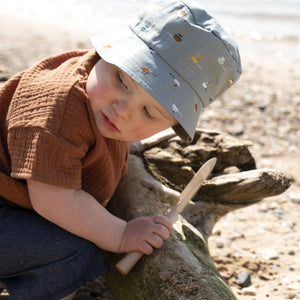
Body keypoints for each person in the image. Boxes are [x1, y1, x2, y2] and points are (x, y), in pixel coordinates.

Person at [0, 0, 241, 299]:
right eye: (122, 80)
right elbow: (52, 198)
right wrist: (121, 234)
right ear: (108, 52)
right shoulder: (57, 113)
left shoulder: (98, 96)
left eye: (149, 113)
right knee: (72, 255)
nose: (122, 110)